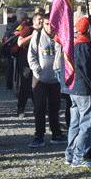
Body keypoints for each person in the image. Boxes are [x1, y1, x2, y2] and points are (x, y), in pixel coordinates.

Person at [64, 16, 91, 167]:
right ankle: (78, 156)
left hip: (73, 89)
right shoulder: (84, 47)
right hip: (83, 90)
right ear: (88, 30)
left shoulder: (72, 45)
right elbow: (89, 72)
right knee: (88, 123)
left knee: (75, 123)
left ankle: (70, 154)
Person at [27, 14, 64, 148]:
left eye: (52, 24)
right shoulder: (36, 37)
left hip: (55, 79)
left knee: (55, 108)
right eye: (47, 24)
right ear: (43, 24)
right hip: (40, 79)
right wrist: (38, 71)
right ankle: (39, 135)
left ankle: (56, 133)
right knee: (39, 108)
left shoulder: (60, 37)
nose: (49, 27)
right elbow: (31, 56)